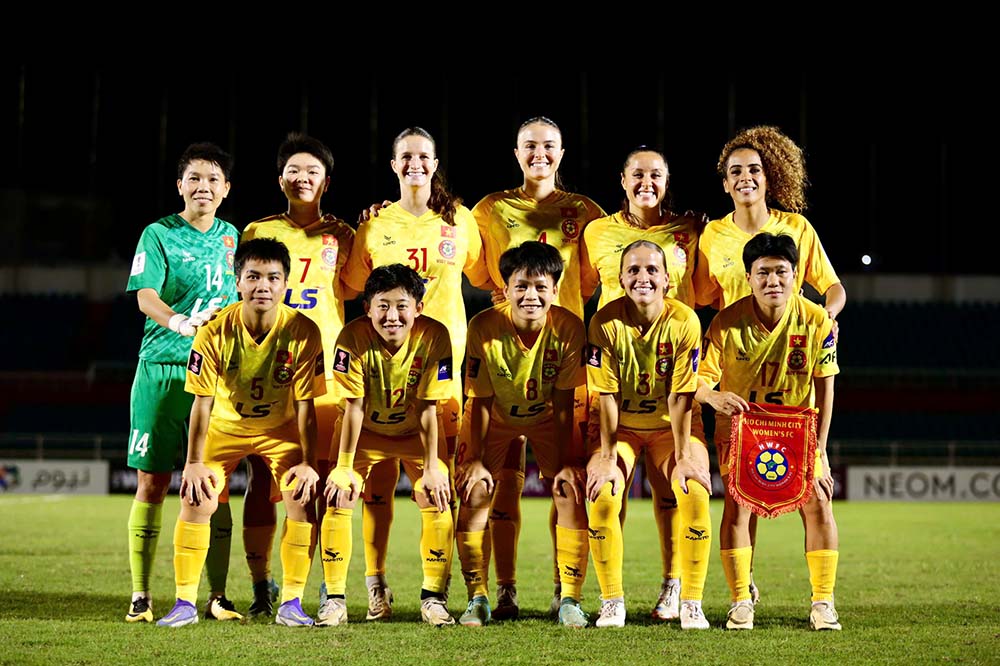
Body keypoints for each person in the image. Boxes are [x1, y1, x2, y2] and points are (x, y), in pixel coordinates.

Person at [694, 125, 847, 603]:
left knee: (811, 496)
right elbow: (696, 297)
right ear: (724, 183)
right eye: (735, 172)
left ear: (768, 176)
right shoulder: (711, 236)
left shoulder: (796, 228)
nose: (745, 179)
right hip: (737, 377)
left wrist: (829, 320)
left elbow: (833, 288)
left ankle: (822, 601)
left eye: (754, 170)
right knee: (743, 500)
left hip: (791, 373)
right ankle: (744, 589)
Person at [343, 127, 489, 620]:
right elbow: (348, 287)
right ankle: (375, 585)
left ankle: (436, 595)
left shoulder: (460, 221)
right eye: (406, 156)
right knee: (376, 490)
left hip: (442, 376)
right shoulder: (373, 224)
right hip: (380, 374)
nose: (414, 164)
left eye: (423, 156)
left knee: (439, 485)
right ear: (393, 165)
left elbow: (490, 277)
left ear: (434, 162)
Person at [470, 116, 604, 617]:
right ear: (516, 150)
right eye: (530, 145)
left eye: (549, 145)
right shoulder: (490, 209)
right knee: (499, 484)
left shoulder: (587, 212)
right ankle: (501, 590)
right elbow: (475, 266)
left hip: (563, 362)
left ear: (562, 152)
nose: (540, 153)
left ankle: (562, 590)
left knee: (566, 482)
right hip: (505, 361)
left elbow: (594, 280)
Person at [155, 238, 325, 627]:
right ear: (238, 282)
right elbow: (201, 403)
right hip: (225, 429)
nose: (262, 286)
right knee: (197, 497)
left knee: (301, 494)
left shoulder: (303, 331)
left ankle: (292, 603)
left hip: (279, 431)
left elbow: (306, 408)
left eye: (272, 277)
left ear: (286, 284)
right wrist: (194, 463)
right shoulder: (214, 331)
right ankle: (184, 603)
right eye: (253, 276)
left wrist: (309, 463)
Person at [581, 147, 705, 621]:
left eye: (656, 174)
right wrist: (607, 455)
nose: (642, 276)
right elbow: (575, 286)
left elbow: (680, 397)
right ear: (622, 178)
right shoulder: (598, 236)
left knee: (684, 487)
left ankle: (681, 594)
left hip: (672, 408)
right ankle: (610, 599)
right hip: (620, 410)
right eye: (638, 173)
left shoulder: (690, 231)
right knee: (601, 489)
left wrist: (684, 451)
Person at [123, 143, 239, 623]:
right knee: (152, 482)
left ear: (226, 189)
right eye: (194, 178)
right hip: (162, 367)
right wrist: (178, 324)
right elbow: (145, 296)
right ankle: (141, 596)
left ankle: (216, 596)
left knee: (217, 486)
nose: (203, 187)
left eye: (213, 180)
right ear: (180, 186)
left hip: (215, 373)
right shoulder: (158, 234)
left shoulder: (233, 237)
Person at [241, 133, 355, 615]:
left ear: (326, 181)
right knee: (262, 481)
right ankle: (261, 582)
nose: (301, 177)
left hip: (326, 375)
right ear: (280, 178)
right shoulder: (257, 231)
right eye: (293, 170)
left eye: (311, 171)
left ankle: (307, 589)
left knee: (320, 482)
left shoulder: (346, 236)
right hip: (268, 374)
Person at [453, 241, 589, 628]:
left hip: (547, 416)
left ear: (555, 289)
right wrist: (476, 459)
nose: (531, 295)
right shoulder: (483, 326)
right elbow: (478, 400)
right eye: (522, 286)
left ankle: (569, 598)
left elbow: (564, 404)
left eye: (541, 286)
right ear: (506, 288)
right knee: (476, 488)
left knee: (569, 488)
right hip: (495, 416)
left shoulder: (568, 327)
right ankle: (478, 597)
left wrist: (566, 463)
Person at [319, 264, 456, 627]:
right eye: (382, 306)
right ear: (367, 308)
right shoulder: (351, 337)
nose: (391, 316)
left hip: (416, 433)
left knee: (437, 493)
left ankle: (433, 598)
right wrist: (344, 466)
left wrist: (432, 468)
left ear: (418, 308)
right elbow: (352, 407)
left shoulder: (436, 337)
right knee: (340, 493)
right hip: (364, 431)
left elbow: (429, 409)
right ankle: (337, 599)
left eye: (401, 306)